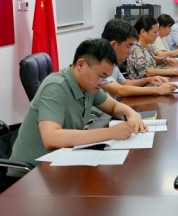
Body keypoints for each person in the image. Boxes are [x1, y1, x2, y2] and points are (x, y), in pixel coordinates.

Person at [8, 39, 148, 177]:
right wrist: (111, 133)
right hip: (29, 174)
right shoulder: (55, 87)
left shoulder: (88, 86)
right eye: (101, 76)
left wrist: (133, 115)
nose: (102, 83)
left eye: (106, 79)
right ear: (81, 64)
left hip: (61, 163)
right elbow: (51, 138)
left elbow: (114, 106)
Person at [100, 19, 177, 97]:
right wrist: (157, 90)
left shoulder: (112, 62)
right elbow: (119, 90)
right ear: (113, 45)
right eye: (128, 47)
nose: (130, 52)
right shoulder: (99, 64)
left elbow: (125, 83)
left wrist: (148, 80)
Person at [128, 15, 178, 80]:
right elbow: (148, 72)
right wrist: (176, 72)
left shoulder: (143, 47)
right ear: (143, 32)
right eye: (155, 32)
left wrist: (165, 59)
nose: (157, 35)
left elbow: (151, 59)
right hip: (144, 86)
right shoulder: (136, 49)